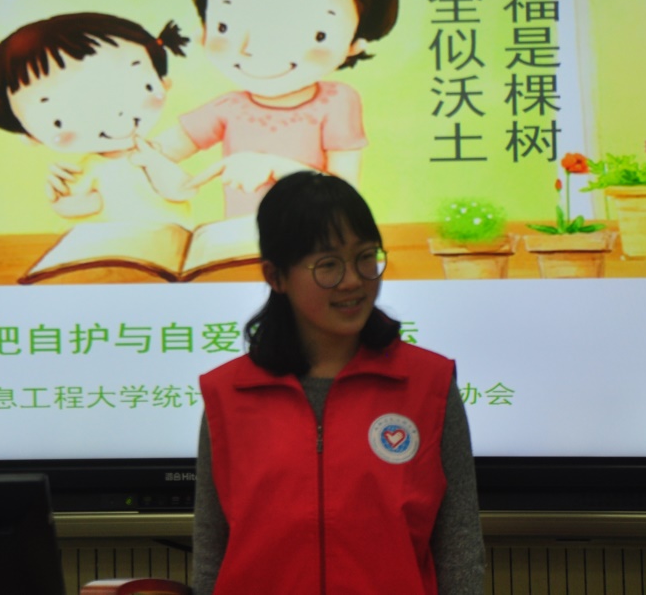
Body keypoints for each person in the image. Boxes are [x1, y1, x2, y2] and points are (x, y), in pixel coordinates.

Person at [193, 171, 485, 595]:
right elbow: (210, 560)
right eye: (328, 264)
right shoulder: (228, 394)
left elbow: (460, 553)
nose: (353, 280)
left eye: (365, 257)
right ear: (275, 276)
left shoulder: (429, 384)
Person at [153, 0, 400, 218]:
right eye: (226, 26)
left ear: (354, 44)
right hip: (239, 238)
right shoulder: (228, 108)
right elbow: (157, 152)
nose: (255, 48)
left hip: (314, 236)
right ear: (203, 32)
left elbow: (345, 193)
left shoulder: (337, 102)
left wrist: (276, 168)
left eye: (313, 33)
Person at [0, 12, 195, 225]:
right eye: (60, 119)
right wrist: (62, 202)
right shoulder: (88, 169)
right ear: (30, 135)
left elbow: (182, 189)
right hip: (114, 251)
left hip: (176, 241)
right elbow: (88, 204)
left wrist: (154, 163)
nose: (112, 114)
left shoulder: (155, 152)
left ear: (164, 83)